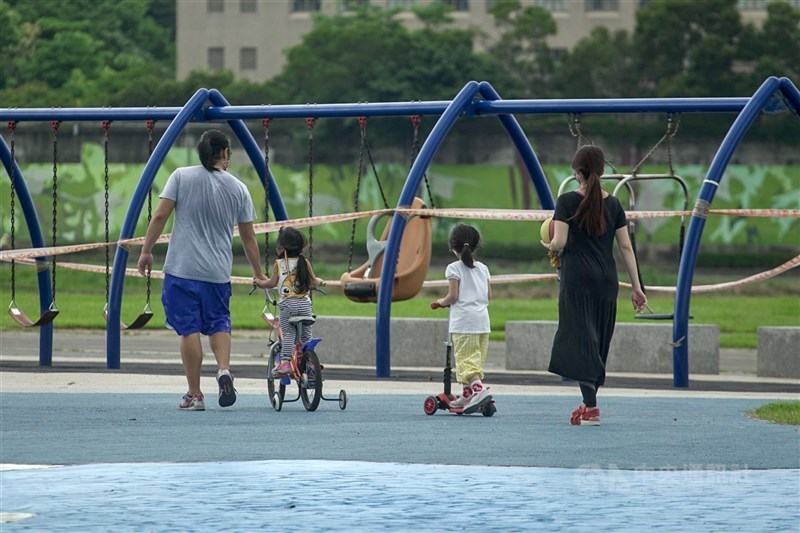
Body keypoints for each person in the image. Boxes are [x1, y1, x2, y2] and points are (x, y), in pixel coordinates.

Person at [137, 129, 267, 411]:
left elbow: (160, 215)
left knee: (189, 330)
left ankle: (194, 393)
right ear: (224, 154)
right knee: (219, 322)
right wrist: (258, 272)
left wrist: (146, 251)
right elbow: (248, 238)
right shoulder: (239, 189)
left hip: (182, 270)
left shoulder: (181, 177)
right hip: (217, 272)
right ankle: (223, 368)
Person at [541, 145, 647, 426]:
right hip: (606, 280)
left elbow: (560, 243)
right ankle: (589, 404)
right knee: (599, 341)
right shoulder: (614, 204)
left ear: (577, 173)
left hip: (577, 279)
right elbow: (625, 246)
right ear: (600, 171)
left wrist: (548, 245)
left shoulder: (565, 201)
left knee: (580, 339)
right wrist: (637, 287)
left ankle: (591, 407)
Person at [431, 223, 493, 415]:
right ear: (475, 246)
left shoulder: (453, 268)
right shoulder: (483, 268)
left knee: (465, 361)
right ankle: (467, 394)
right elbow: (489, 295)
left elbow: (453, 296)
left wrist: (441, 302)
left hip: (464, 322)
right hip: (483, 322)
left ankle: (478, 390)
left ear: (452, 246)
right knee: (475, 360)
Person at [255, 226, 325, 377]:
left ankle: (285, 362)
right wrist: (321, 282)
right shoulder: (304, 262)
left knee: (288, 333)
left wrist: (260, 283)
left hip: (288, 305)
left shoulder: (279, 265)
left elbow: (271, 283)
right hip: (305, 305)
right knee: (307, 335)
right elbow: (313, 281)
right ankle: (310, 362)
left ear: (282, 249)